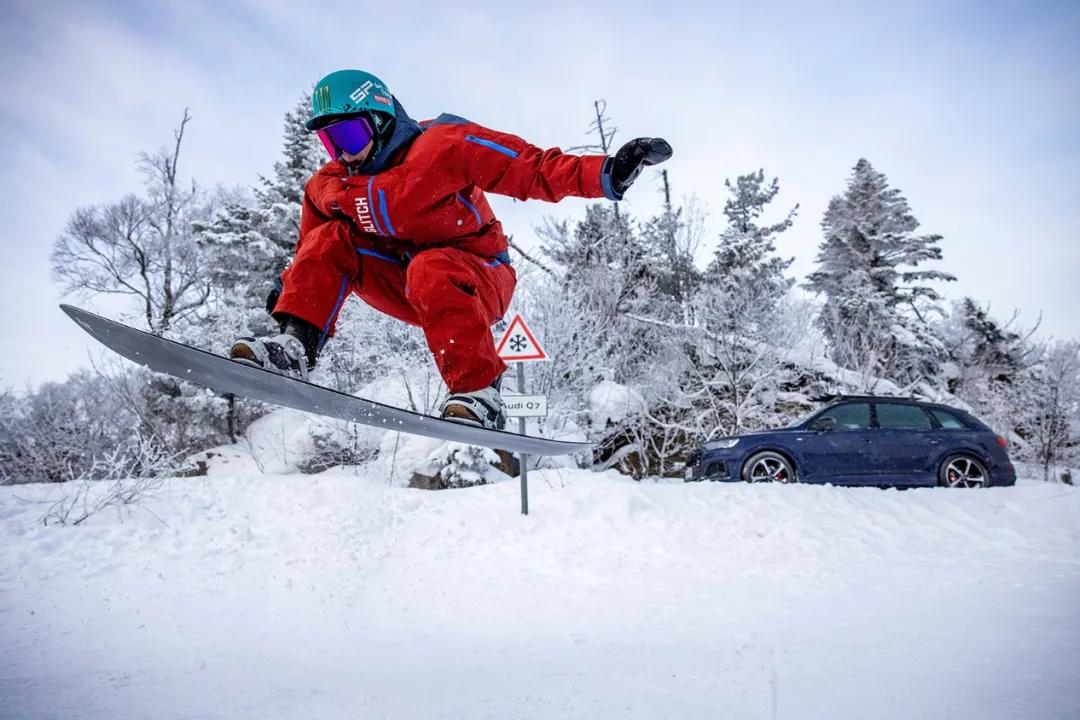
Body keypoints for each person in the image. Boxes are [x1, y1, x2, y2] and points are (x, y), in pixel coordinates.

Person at [231, 69, 672, 430]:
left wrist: (609, 173)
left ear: (381, 118)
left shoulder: (445, 145)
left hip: (480, 276)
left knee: (431, 266)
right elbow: (313, 243)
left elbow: (530, 168)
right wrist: (292, 290)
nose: (343, 154)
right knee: (333, 239)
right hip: (403, 280)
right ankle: (294, 350)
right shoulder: (329, 185)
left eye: (348, 135)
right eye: (330, 143)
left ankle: (480, 390)